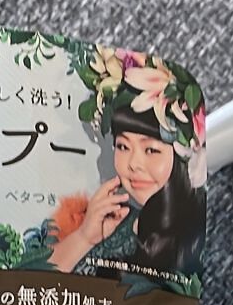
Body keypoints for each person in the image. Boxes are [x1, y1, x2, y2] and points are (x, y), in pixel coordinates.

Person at [48, 104, 205, 278]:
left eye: (151, 150)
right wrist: (84, 237)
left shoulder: (202, 234)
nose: (133, 164)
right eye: (123, 147)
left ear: (183, 155)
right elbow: (28, 284)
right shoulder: (104, 222)